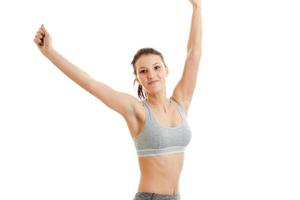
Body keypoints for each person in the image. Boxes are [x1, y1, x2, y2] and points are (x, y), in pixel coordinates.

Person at [33, 0, 202, 199]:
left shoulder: (181, 102)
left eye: (157, 67)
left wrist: (197, 8)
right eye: (143, 71)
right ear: (138, 79)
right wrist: (50, 53)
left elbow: (194, 55)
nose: (151, 75)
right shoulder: (137, 110)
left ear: (166, 70)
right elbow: (91, 84)